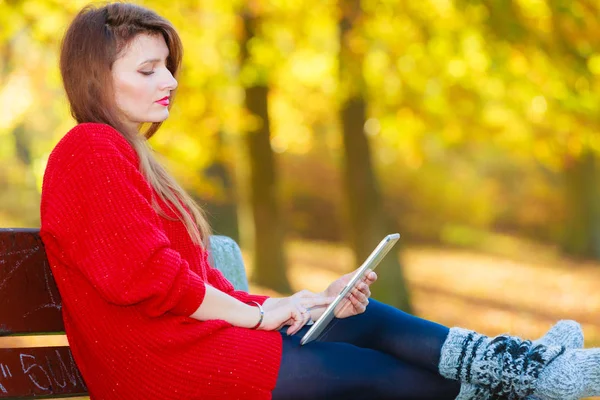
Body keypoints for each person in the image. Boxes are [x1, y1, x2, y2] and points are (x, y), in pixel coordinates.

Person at [39, 3, 599, 400]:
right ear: (97, 77)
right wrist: (261, 315)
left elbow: (211, 287)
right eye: (147, 69)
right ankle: (529, 380)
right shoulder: (89, 150)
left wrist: (300, 302)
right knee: (366, 371)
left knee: (362, 320)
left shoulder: (130, 159)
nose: (169, 81)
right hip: (159, 370)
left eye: (166, 65)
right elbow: (151, 279)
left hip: (191, 345)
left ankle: (526, 369)